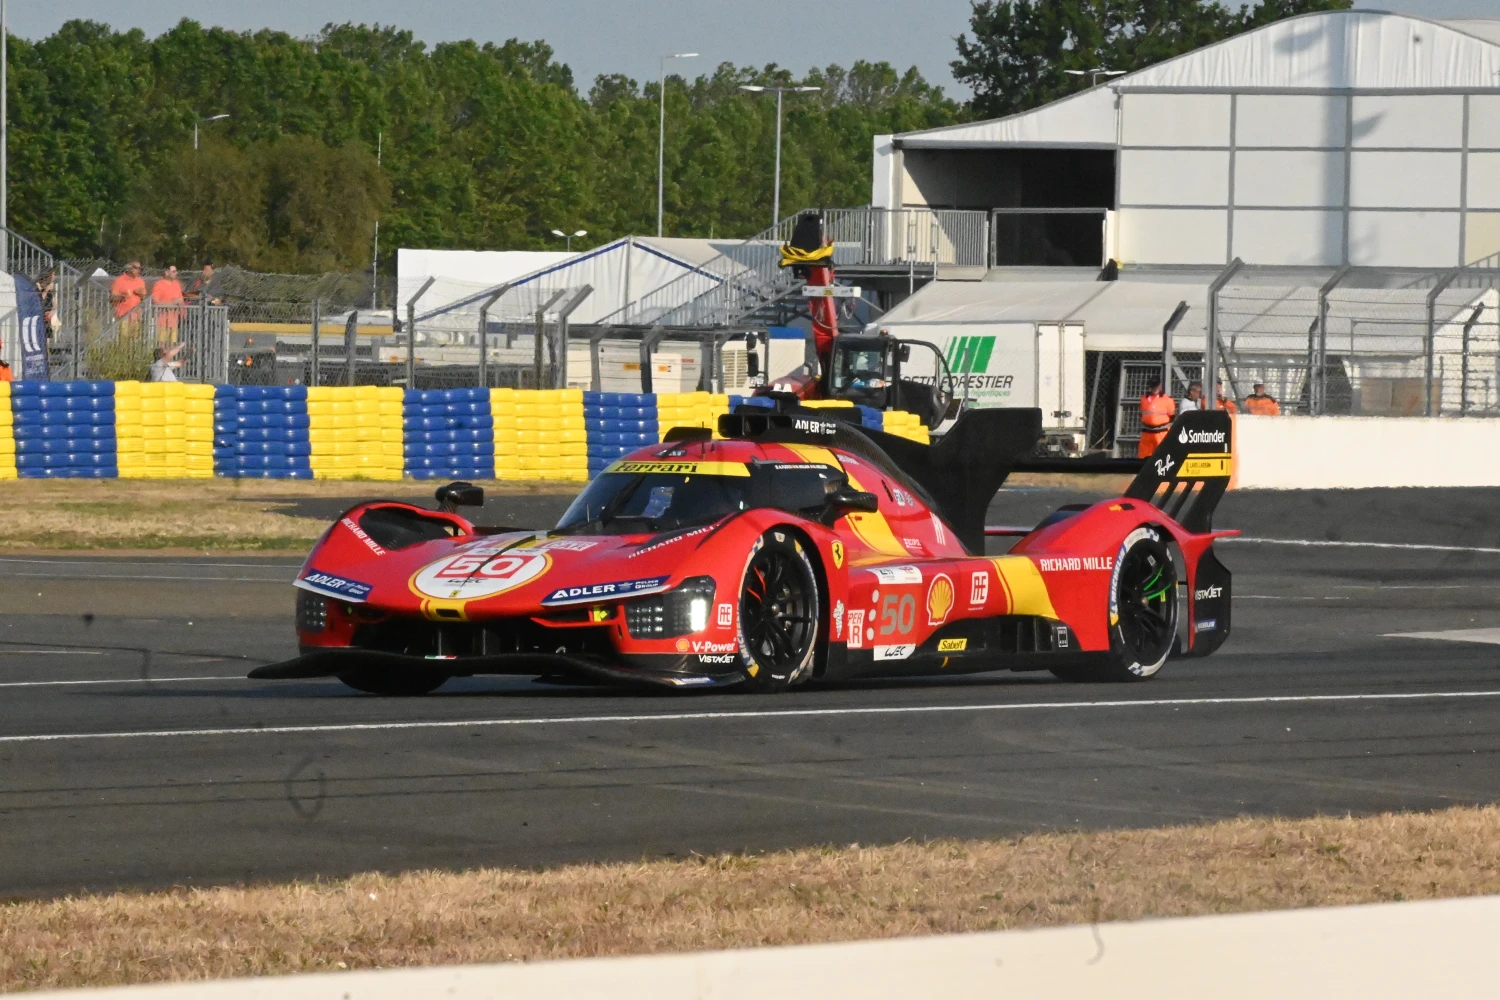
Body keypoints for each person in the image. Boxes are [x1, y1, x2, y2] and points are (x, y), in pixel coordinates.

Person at [1137, 380, 1176, 458]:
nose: (1155, 389)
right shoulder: (1144, 399)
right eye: (1153, 386)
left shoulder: (1167, 400)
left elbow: (1172, 416)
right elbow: (1142, 413)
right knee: (1144, 455)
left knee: (1161, 454)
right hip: (1147, 432)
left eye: (1156, 386)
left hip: (1161, 432)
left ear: (1160, 386)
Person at [151, 265, 186, 344]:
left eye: (176, 271)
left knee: (172, 344)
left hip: (174, 321)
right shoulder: (159, 284)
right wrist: (171, 303)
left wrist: (182, 308)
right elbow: (155, 302)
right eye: (173, 271)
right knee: (162, 344)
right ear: (166, 272)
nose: (176, 273)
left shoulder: (176, 284)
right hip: (162, 321)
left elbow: (181, 299)